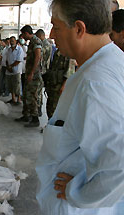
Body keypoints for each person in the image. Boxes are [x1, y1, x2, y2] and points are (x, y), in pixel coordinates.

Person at [36, 0, 124, 214]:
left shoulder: (96, 82)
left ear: (79, 29)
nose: (51, 36)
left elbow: (118, 164)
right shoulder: (107, 62)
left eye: (56, 27)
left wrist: (78, 194)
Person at [16, 25, 42, 127]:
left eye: (23, 34)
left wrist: (32, 72)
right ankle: (26, 115)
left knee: (32, 96)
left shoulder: (36, 41)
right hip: (29, 73)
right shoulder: (32, 42)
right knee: (26, 95)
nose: (22, 37)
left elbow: (38, 57)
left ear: (26, 33)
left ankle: (35, 119)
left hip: (34, 75)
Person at [44, 49, 75, 119]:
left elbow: (69, 73)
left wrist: (63, 86)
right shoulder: (57, 52)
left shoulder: (69, 53)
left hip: (59, 86)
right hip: (52, 85)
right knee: (50, 106)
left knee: (55, 108)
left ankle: (54, 126)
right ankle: (49, 124)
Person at [36, 29, 52, 117]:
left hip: (43, 71)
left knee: (38, 91)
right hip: (42, 70)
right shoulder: (43, 44)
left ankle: (38, 108)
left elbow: (41, 57)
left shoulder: (45, 45)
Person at [5, 36, 24, 104]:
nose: (12, 42)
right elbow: (6, 59)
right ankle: (13, 99)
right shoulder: (9, 50)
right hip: (9, 71)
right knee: (11, 85)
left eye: (13, 41)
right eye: (10, 41)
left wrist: (11, 66)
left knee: (17, 86)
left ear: (16, 41)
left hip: (16, 71)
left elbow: (19, 60)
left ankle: (18, 99)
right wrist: (8, 67)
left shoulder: (19, 49)